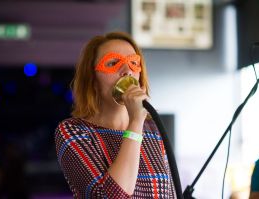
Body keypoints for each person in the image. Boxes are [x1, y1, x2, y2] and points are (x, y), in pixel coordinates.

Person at [54, 31, 177, 198]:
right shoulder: (73, 131)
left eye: (133, 63)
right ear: (92, 80)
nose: (127, 71)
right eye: (113, 63)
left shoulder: (152, 129)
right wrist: (135, 123)